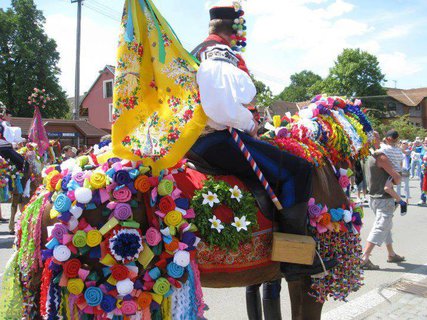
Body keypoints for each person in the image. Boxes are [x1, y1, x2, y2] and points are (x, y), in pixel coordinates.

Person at [188, 5, 335, 319]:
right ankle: (295, 259)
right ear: (236, 31)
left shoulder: (199, 50)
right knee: (299, 169)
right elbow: (220, 106)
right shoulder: (218, 53)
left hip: (201, 139)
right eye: (242, 32)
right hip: (218, 138)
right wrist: (248, 122)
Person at [361, 131, 405, 270]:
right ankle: (365, 258)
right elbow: (396, 177)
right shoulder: (380, 157)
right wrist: (397, 179)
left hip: (373, 197)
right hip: (383, 198)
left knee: (386, 225)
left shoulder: (365, 155)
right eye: (377, 137)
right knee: (381, 226)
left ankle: (391, 254)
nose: (379, 139)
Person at [378, 130, 407, 214]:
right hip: (398, 172)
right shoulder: (398, 150)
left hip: (392, 173)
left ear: (388, 139)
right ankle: (396, 201)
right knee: (390, 188)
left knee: (387, 188)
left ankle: (401, 202)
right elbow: (401, 162)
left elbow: (377, 153)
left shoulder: (385, 148)